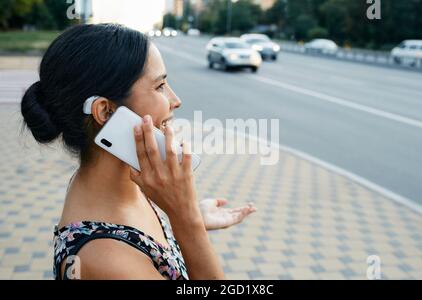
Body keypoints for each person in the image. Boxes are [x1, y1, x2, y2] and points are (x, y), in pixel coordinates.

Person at [21, 24, 256, 280]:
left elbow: (140, 239)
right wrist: (187, 221)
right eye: (160, 86)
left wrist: (191, 217)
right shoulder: (107, 260)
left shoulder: (113, 185)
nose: (175, 100)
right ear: (106, 111)